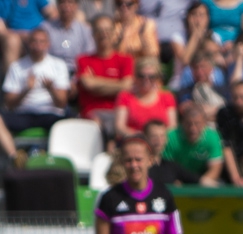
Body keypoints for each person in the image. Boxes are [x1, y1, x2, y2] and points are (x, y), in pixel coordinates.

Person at [76, 15, 134, 145]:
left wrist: (97, 83)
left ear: (114, 32)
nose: (104, 34)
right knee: (96, 126)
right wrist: (117, 85)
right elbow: (88, 84)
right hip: (92, 113)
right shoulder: (83, 60)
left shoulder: (125, 60)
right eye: (100, 30)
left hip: (119, 112)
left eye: (107, 30)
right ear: (93, 34)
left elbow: (127, 86)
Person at [1, 28, 70, 134]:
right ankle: (12, 151)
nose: (38, 45)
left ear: (48, 44)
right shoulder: (16, 66)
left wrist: (51, 89)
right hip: (24, 113)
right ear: (28, 43)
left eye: (41, 42)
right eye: (34, 41)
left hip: (49, 113)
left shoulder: (59, 65)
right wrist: (26, 90)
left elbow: (62, 103)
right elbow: (9, 104)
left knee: (70, 119)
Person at [163, 103, 224, 186]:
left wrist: (200, 185)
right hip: (178, 181)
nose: (193, 128)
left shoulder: (213, 137)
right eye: (189, 123)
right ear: (182, 122)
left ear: (204, 123)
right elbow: (166, 166)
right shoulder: (171, 137)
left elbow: (215, 168)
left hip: (203, 180)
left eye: (197, 123)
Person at [114, 56, 177, 137]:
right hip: (133, 141)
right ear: (135, 76)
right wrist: (140, 137)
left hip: (160, 143)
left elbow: (172, 127)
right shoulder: (125, 96)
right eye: (141, 76)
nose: (146, 80)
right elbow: (119, 127)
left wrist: (156, 137)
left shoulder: (167, 97)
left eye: (151, 77)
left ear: (157, 78)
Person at [169, 2, 219, 90]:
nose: (198, 19)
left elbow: (214, 60)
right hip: (182, 80)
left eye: (201, 15)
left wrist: (202, 37)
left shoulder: (214, 36)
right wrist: (195, 35)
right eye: (194, 15)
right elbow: (185, 60)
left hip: (208, 79)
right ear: (188, 17)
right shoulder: (177, 37)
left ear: (207, 18)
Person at [41, 0, 95, 75]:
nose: (66, 6)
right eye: (62, 2)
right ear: (57, 5)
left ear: (76, 6)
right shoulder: (46, 28)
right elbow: (42, 56)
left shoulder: (85, 30)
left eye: (70, 2)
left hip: (77, 72)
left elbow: (89, 55)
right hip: (52, 72)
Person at [143, 120, 199, 185]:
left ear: (166, 139)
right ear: (145, 138)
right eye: (154, 136)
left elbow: (197, 180)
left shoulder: (171, 167)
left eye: (162, 136)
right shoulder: (138, 166)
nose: (159, 141)